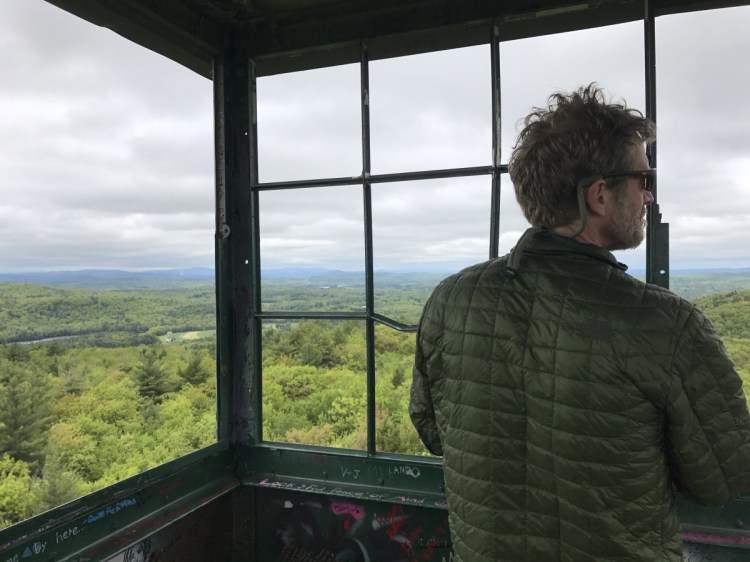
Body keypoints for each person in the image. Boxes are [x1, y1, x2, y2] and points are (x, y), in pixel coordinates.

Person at [409, 84, 750, 561]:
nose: (648, 195)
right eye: (642, 180)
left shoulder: (451, 300)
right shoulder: (666, 323)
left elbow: (433, 430)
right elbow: (724, 478)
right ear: (599, 196)